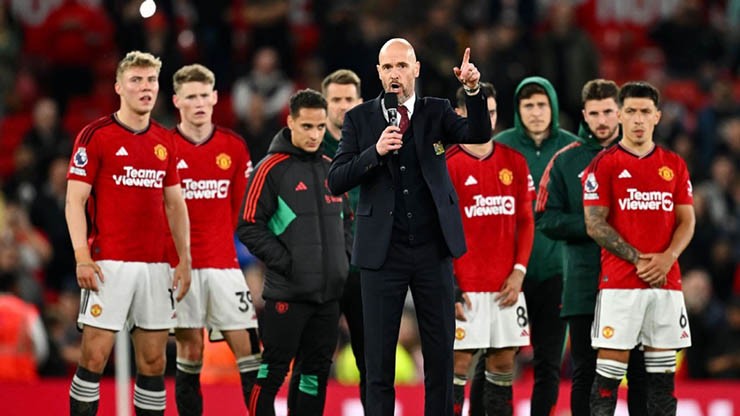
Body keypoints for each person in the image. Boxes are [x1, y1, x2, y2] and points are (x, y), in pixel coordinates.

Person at [327, 38, 492, 415]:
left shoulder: (437, 110)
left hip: (433, 249)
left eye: (402, 65)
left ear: (416, 69)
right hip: (382, 254)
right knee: (378, 361)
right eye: (388, 67)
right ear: (378, 73)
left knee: (440, 356)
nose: (395, 74)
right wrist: (374, 152)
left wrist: (472, 90)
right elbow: (336, 180)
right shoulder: (359, 118)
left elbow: (478, 133)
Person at [65, 50, 191, 416]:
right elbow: (74, 201)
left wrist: (184, 259)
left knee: (153, 362)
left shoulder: (165, 140)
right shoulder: (96, 135)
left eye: (151, 80)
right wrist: (81, 256)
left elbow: (175, 205)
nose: (145, 87)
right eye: (136, 80)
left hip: (156, 266)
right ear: (119, 87)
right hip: (108, 263)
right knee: (94, 356)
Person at [535, 79, 648, 416]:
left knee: (637, 370)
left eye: (608, 112)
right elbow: (544, 217)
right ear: (584, 114)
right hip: (583, 282)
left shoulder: (644, 157)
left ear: (620, 112)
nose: (602, 120)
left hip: (633, 281)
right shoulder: (565, 161)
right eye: (594, 113)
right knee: (585, 369)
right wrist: (594, 225)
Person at [237, 89, 352, 416]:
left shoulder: (332, 167)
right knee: (272, 372)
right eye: (307, 126)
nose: (315, 135)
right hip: (287, 295)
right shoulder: (270, 169)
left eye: (320, 127)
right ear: (290, 123)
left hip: (328, 297)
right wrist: (286, 263)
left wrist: (342, 261)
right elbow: (248, 225)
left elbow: (347, 221)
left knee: (315, 374)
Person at [583, 81, 695, 415]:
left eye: (645, 111)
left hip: (666, 284)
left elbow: (687, 221)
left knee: (662, 383)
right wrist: (640, 260)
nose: (638, 119)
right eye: (631, 111)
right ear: (619, 115)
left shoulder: (674, 164)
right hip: (621, 284)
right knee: (607, 379)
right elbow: (594, 224)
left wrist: (667, 259)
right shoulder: (604, 164)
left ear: (657, 116)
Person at [169, 63, 261, 416]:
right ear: (177, 101)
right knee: (190, 352)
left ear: (215, 98)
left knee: (250, 350)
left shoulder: (233, 147)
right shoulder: (164, 147)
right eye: (191, 97)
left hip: (224, 266)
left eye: (204, 96)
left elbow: (244, 212)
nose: (198, 103)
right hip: (181, 268)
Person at [447, 82, 535, 416]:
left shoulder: (515, 161)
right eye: (479, 111)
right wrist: (451, 286)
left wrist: (519, 272)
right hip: (465, 288)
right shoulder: (447, 164)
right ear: (460, 114)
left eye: (493, 112)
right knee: (458, 363)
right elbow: (435, 232)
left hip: (505, 287)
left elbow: (526, 221)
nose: (488, 119)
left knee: (503, 363)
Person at [493, 76, 578, 415]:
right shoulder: (500, 147)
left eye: (542, 104)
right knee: (497, 358)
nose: (536, 112)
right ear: (518, 110)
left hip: (557, 272)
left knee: (548, 364)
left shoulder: (573, 150)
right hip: (509, 274)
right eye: (528, 105)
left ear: (553, 107)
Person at [287, 68, 366, 412]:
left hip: (365, 270)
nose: (343, 106)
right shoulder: (306, 150)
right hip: (320, 273)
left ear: (360, 102)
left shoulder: (379, 145)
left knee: (373, 362)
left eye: (349, 99)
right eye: (336, 99)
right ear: (325, 103)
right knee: (311, 361)